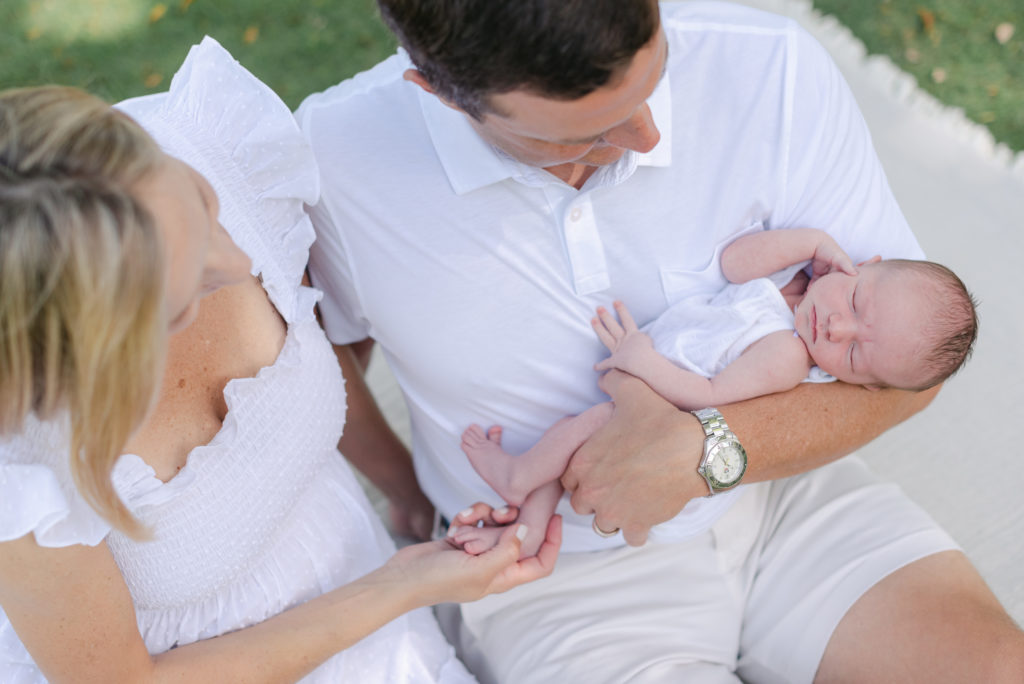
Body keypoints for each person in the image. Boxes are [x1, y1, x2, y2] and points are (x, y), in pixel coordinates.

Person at [297, 1, 1024, 681]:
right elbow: (310, 363)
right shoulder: (339, 163)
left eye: (656, 77)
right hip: (560, 575)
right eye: (584, 133)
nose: (649, 136)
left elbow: (912, 372)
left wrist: (702, 454)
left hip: (784, 494)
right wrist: (406, 492)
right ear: (442, 96)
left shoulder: (770, 69)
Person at [0, 38, 558, 684]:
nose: (239, 266)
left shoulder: (199, 145)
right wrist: (402, 585)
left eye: (206, 206)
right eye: (189, 298)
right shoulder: (20, 465)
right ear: (90, 350)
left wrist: (408, 494)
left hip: (357, 587)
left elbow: (300, 346)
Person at [455, 227, 978, 556]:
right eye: (857, 300)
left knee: (577, 435)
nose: (838, 328)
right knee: (569, 445)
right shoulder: (787, 293)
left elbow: (707, 392)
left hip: (655, 403)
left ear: (858, 383)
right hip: (639, 389)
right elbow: (735, 263)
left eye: (856, 354)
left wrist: (643, 361)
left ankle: (518, 476)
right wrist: (811, 244)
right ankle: (520, 535)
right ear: (861, 263)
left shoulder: (787, 355)